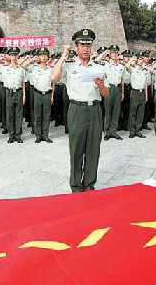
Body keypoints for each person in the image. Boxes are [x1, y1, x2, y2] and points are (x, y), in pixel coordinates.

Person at [51, 29, 109, 192]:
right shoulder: (69, 66)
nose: (85, 48)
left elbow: (106, 93)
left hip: (95, 110)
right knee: (76, 149)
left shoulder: (99, 67)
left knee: (93, 149)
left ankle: (89, 184)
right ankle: (76, 185)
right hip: (76, 110)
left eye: (88, 45)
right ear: (76, 47)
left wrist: (101, 85)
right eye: (82, 45)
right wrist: (63, 55)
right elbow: (54, 77)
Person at [0, 47, 26, 143]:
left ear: (18, 56)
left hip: (19, 92)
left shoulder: (21, 69)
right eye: (12, 55)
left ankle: (18, 135)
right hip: (8, 92)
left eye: (15, 55)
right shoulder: (4, 68)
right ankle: (11, 135)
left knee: (19, 114)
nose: (14, 57)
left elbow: (23, 83)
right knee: (10, 114)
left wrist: (24, 95)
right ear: (9, 56)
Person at [23, 47, 55, 143]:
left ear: (48, 57)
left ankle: (45, 135)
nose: (43, 57)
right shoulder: (34, 68)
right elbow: (23, 65)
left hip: (47, 94)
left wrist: (52, 96)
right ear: (38, 57)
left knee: (46, 115)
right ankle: (38, 135)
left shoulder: (51, 69)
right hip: (37, 93)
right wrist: (32, 59)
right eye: (41, 55)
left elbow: (53, 84)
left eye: (45, 55)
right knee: (37, 115)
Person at [97, 45, 124, 140]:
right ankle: (107, 131)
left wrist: (122, 92)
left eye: (116, 52)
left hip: (117, 89)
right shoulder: (105, 64)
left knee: (116, 111)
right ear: (110, 54)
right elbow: (96, 61)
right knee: (108, 111)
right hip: (108, 88)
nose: (115, 54)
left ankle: (113, 131)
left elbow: (122, 80)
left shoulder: (121, 66)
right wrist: (105, 53)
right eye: (112, 53)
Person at [125, 55, 148, 138]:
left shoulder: (145, 70)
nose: (141, 60)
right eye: (139, 59)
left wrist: (146, 95)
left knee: (140, 113)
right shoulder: (132, 69)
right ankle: (132, 131)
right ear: (137, 60)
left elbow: (145, 83)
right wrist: (131, 60)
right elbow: (127, 66)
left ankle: (138, 130)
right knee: (133, 113)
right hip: (135, 92)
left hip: (142, 93)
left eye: (142, 59)